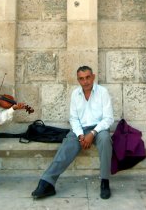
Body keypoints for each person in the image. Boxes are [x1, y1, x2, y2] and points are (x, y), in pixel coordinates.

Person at [31, 65, 114, 199]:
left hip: (99, 128)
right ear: (78, 80)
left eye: (88, 77)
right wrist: (81, 135)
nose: (85, 81)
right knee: (67, 145)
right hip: (80, 129)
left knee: (105, 140)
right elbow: (74, 119)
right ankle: (47, 182)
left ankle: (105, 182)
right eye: (81, 79)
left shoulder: (102, 92)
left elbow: (108, 119)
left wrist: (92, 133)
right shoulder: (76, 94)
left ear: (93, 77)